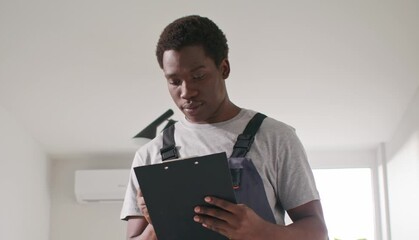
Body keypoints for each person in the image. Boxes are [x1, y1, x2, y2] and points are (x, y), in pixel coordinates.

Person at [120, 15, 328, 240]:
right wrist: (157, 223)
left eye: (198, 76)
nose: (186, 92)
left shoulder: (276, 137)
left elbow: (317, 232)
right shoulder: (149, 155)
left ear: (224, 68)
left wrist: (261, 231)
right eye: (174, 81)